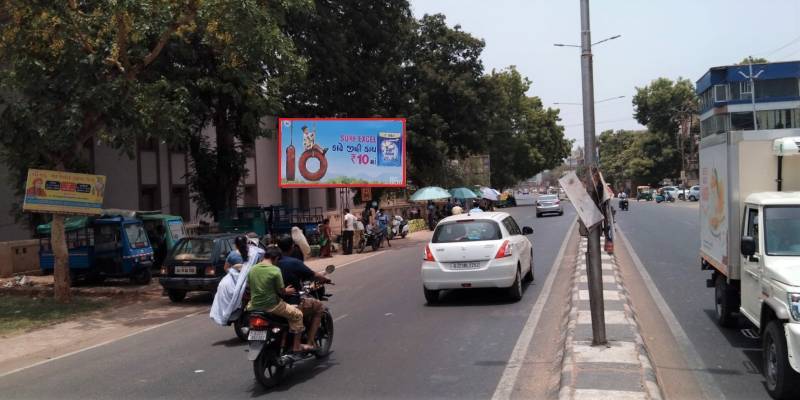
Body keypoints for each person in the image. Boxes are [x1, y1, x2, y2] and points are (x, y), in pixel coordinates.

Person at [247, 247, 312, 353]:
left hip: (254, 306)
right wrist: (288, 291)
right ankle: (296, 346)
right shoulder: (275, 270)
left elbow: (250, 287)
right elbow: (281, 291)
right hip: (272, 306)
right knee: (298, 315)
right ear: (276, 258)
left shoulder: (252, 269)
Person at [276, 235, 329, 350]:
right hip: (290, 302)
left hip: (274, 302)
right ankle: (309, 343)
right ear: (292, 247)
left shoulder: (271, 263)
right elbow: (313, 275)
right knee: (319, 307)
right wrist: (325, 279)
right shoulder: (294, 263)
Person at [210, 235, 265, 326]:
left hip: (234, 284)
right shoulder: (254, 254)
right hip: (250, 283)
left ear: (235, 245)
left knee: (220, 290)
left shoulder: (232, 254)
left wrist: (234, 271)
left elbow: (226, 268)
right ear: (247, 243)